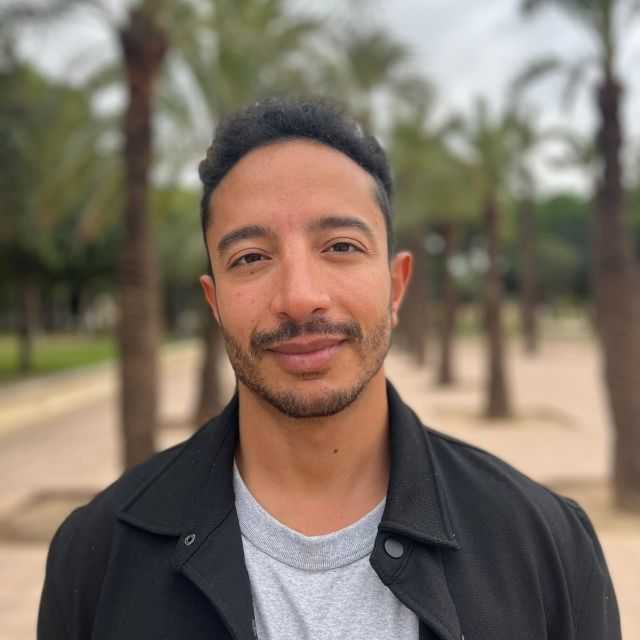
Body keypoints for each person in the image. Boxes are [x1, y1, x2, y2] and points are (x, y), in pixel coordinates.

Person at [38, 98, 621, 640]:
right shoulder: (97, 558)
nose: (299, 297)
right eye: (251, 257)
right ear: (215, 303)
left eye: (341, 246)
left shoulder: (545, 546)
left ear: (396, 285)